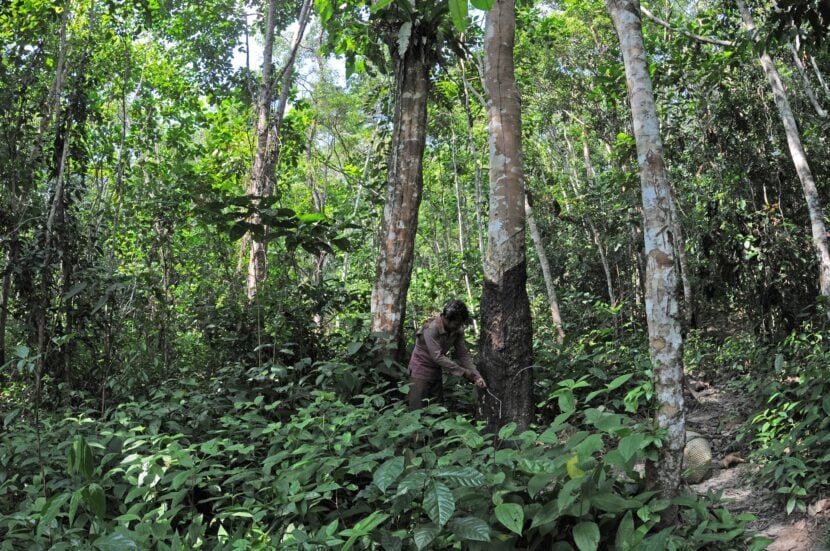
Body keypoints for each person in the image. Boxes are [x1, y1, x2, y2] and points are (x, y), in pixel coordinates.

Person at [407, 299, 487, 410]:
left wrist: (477, 376)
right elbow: (437, 357)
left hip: (436, 371)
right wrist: (464, 373)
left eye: (461, 323)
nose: (459, 326)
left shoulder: (457, 330)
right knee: (417, 409)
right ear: (446, 318)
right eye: (456, 323)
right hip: (420, 370)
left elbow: (463, 354)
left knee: (437, 410)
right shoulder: (431, 328)